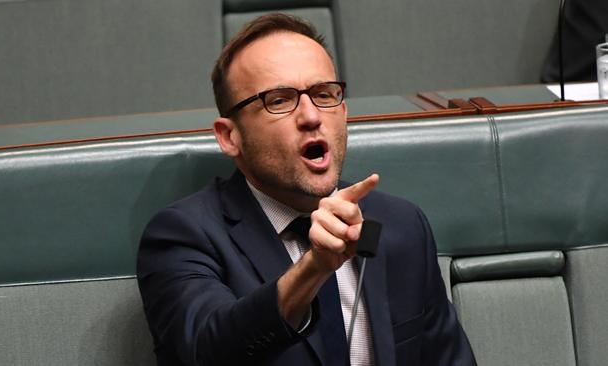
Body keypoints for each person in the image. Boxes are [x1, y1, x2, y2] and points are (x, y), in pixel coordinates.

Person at [137, 13, 476, 366]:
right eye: (279, 100)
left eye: (323, 94)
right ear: (229, 136)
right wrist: (315, 268)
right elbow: (207, 351)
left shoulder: (400, 224)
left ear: (343, 113)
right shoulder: (183, 236)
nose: (311, 116)